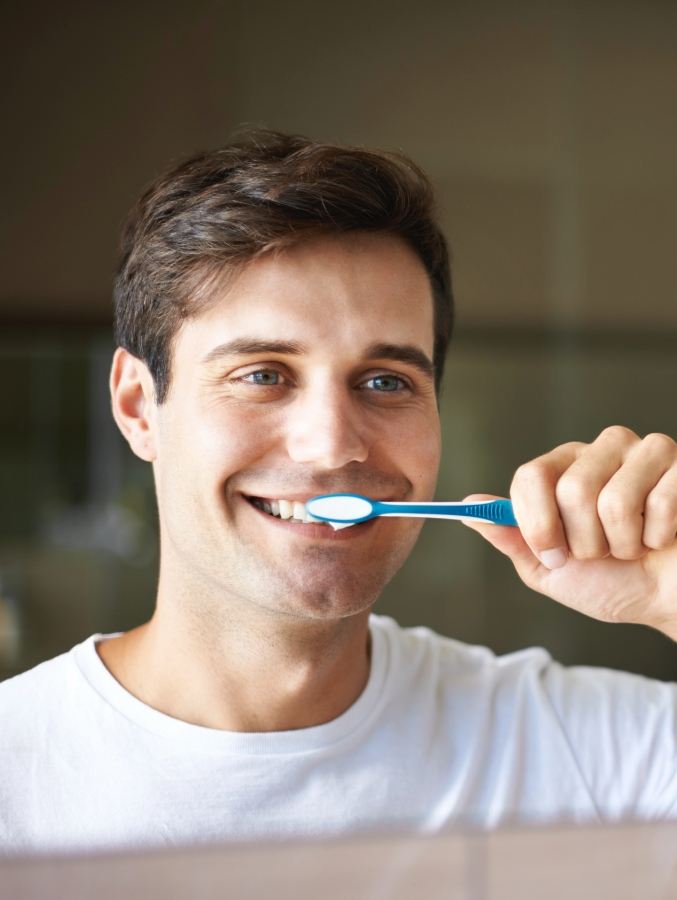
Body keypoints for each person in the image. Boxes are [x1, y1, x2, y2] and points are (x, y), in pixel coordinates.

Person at [1, 129, 676, 857]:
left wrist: (668, 594)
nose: (332, 445)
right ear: (138, 406)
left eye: (385, 382)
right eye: (263, 374)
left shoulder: (589, 757)